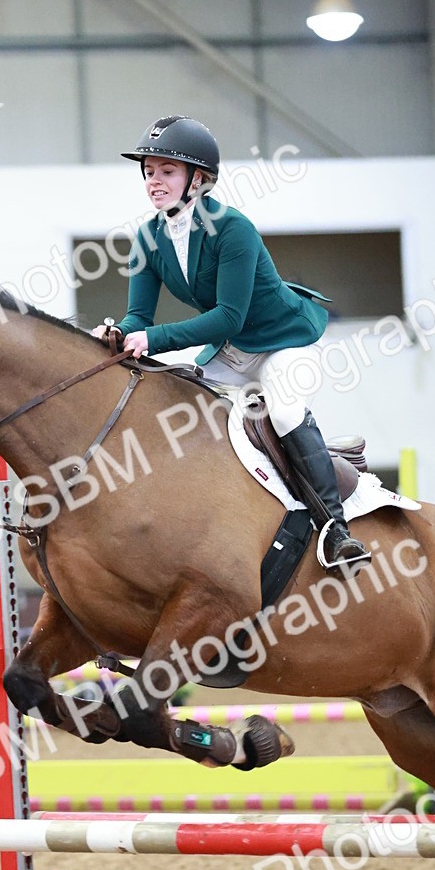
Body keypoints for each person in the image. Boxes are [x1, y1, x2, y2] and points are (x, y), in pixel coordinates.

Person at [92, 114, 370, 574]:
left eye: (166, 171)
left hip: (283, 340)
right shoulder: (147, 238)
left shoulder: (233, 228)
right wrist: (119, 334)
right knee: (175, 404)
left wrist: (154, 338)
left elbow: (228, 315)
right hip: (232, 350)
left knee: (281, 412)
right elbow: (138, 317)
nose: (153, 182)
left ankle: (336, 531)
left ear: (197, 179)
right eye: (148, 172)